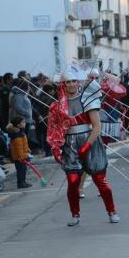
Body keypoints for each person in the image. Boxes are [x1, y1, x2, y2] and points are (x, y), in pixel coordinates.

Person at [47, 65, 119, 226]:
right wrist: (56, 147)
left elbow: (97, 127)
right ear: (63, 84)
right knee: (72, 181)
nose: (71, 84)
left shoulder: (88, 99)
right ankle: (75, 215)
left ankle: (112, 211)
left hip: (90, 141)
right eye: (68, 82)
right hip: (70, 145)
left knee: (100, 179)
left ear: (78, 82)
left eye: (74, 81)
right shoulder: (57, 106)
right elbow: (55, 130)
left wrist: (87, 145)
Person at [7, 116, 32, 189]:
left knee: (23, 169)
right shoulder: (17, 134)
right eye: (23, 122)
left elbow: (23, 143)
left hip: (23, 154)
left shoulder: (21, 132)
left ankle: (23, 182)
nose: (24, 124)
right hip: (19, 156)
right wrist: (21, 157)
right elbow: (18, 147)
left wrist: (27, 149)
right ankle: (20, 183)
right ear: (18, 125)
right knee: (20, 170)